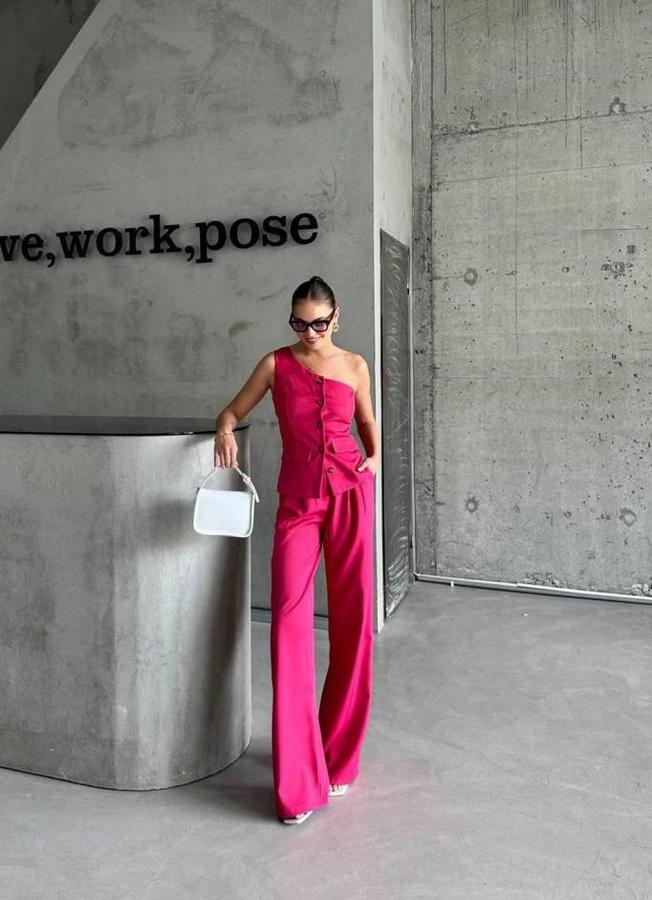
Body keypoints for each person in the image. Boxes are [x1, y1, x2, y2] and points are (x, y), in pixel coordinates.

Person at [214, 274, 380, 825]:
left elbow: (366, 421)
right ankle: (298, 781)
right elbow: (230, 411)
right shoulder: (274, 364)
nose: (309, 332)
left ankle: (338, 758)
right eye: (299, 323)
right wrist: (226, 429)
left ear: (336, 318)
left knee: (354, 621)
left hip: (351, 494)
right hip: (298, 504)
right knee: (288, 625)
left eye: (318, 323)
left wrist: (373, 461)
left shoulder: (354, 365)